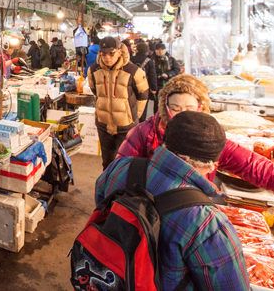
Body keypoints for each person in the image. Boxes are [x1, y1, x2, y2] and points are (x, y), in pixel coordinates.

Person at [96, 112, 249, 290]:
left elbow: (100, 208)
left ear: (165, 144)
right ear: (209, 165)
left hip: (106, 278)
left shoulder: (120, 167)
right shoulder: (208, 224)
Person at [119, 74, 274, 205]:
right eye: (175, 108)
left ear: (201, 107)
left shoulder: (208, 139)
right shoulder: (144, 134)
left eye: (189, 108)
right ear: (164, 107)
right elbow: (119, 176)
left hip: (192, 210)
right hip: (148, 214)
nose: (181, 115)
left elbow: (262, 170)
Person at [88, 37, 149, 169]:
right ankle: (107, 187)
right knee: (107, 162)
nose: (107, 58)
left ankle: (121, 188)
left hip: (125, 126)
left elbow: (143, 95)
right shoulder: (93, 70)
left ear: (119, 52)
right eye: (103, 54)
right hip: (103, 125)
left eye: (111, 53)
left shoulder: (133, 71)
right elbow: (95, 91)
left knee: (124, 163)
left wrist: (133, 116)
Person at [132, 40, 157, 120]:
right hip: (144, 88)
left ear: (137, 50)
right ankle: (140, 124)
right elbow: (152, 75)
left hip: (131, 86)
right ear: (146, 51)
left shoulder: (130, 59)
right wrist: (153, 88)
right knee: (142, 106)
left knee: (131, 105)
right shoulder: (149, 61)